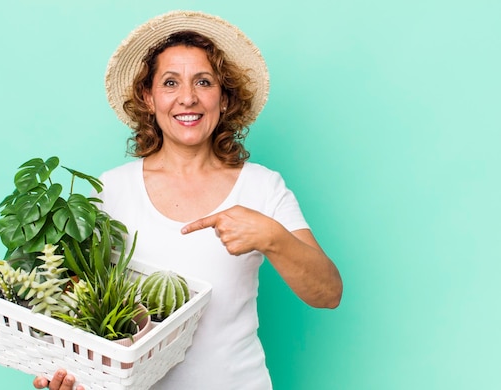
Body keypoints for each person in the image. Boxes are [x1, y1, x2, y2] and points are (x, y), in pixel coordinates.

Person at [33, 10, 342, 390]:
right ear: (148, 98)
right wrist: (70, 375)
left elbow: (328, 293)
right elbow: (74, 305)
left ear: (225, 98)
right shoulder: (108, 191)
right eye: (170, 83)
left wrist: (271, 236)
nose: (188, 98)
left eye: (204, 82)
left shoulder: (262, 187)